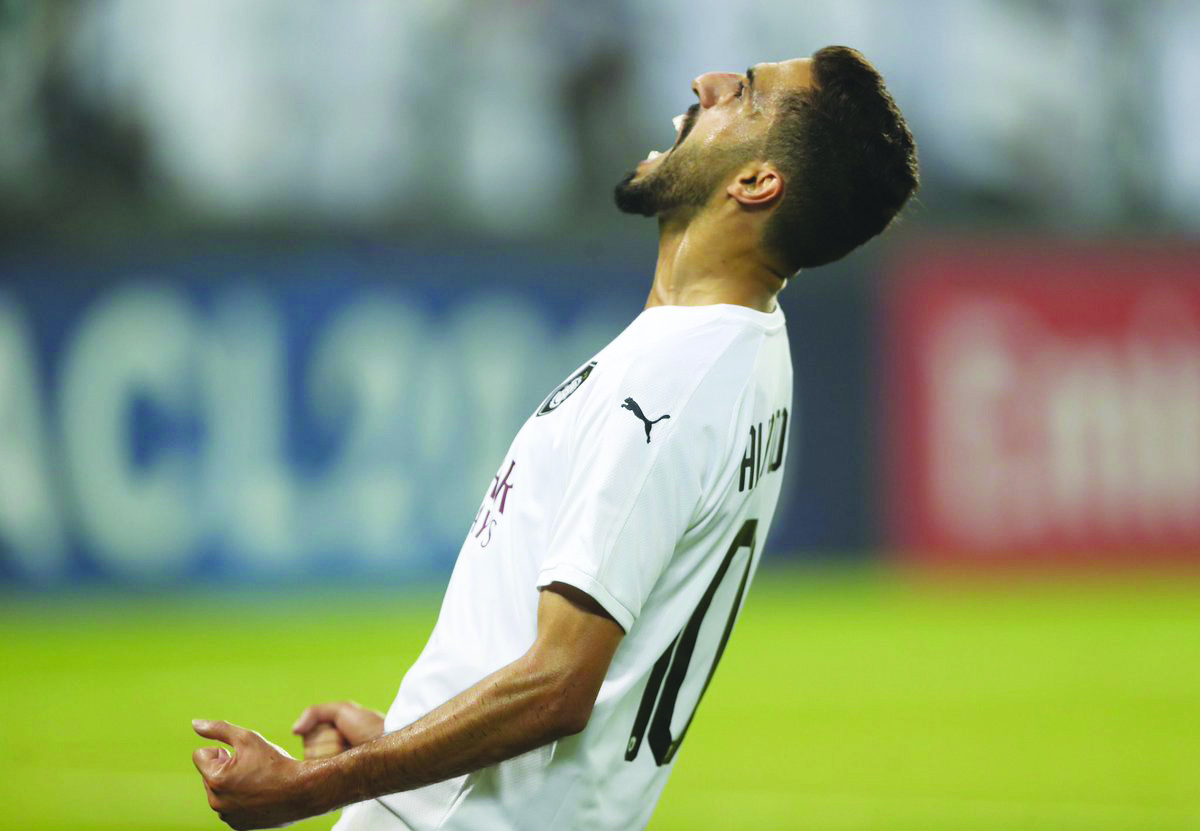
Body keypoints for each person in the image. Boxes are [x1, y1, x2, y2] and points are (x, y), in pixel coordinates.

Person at [192, 45, 919, 831]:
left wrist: (308, 788)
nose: (705, 83)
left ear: (755, 182)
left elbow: (558, 687)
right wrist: (403, 738)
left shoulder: (666, 381)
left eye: (743, 94)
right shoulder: (751, 348)